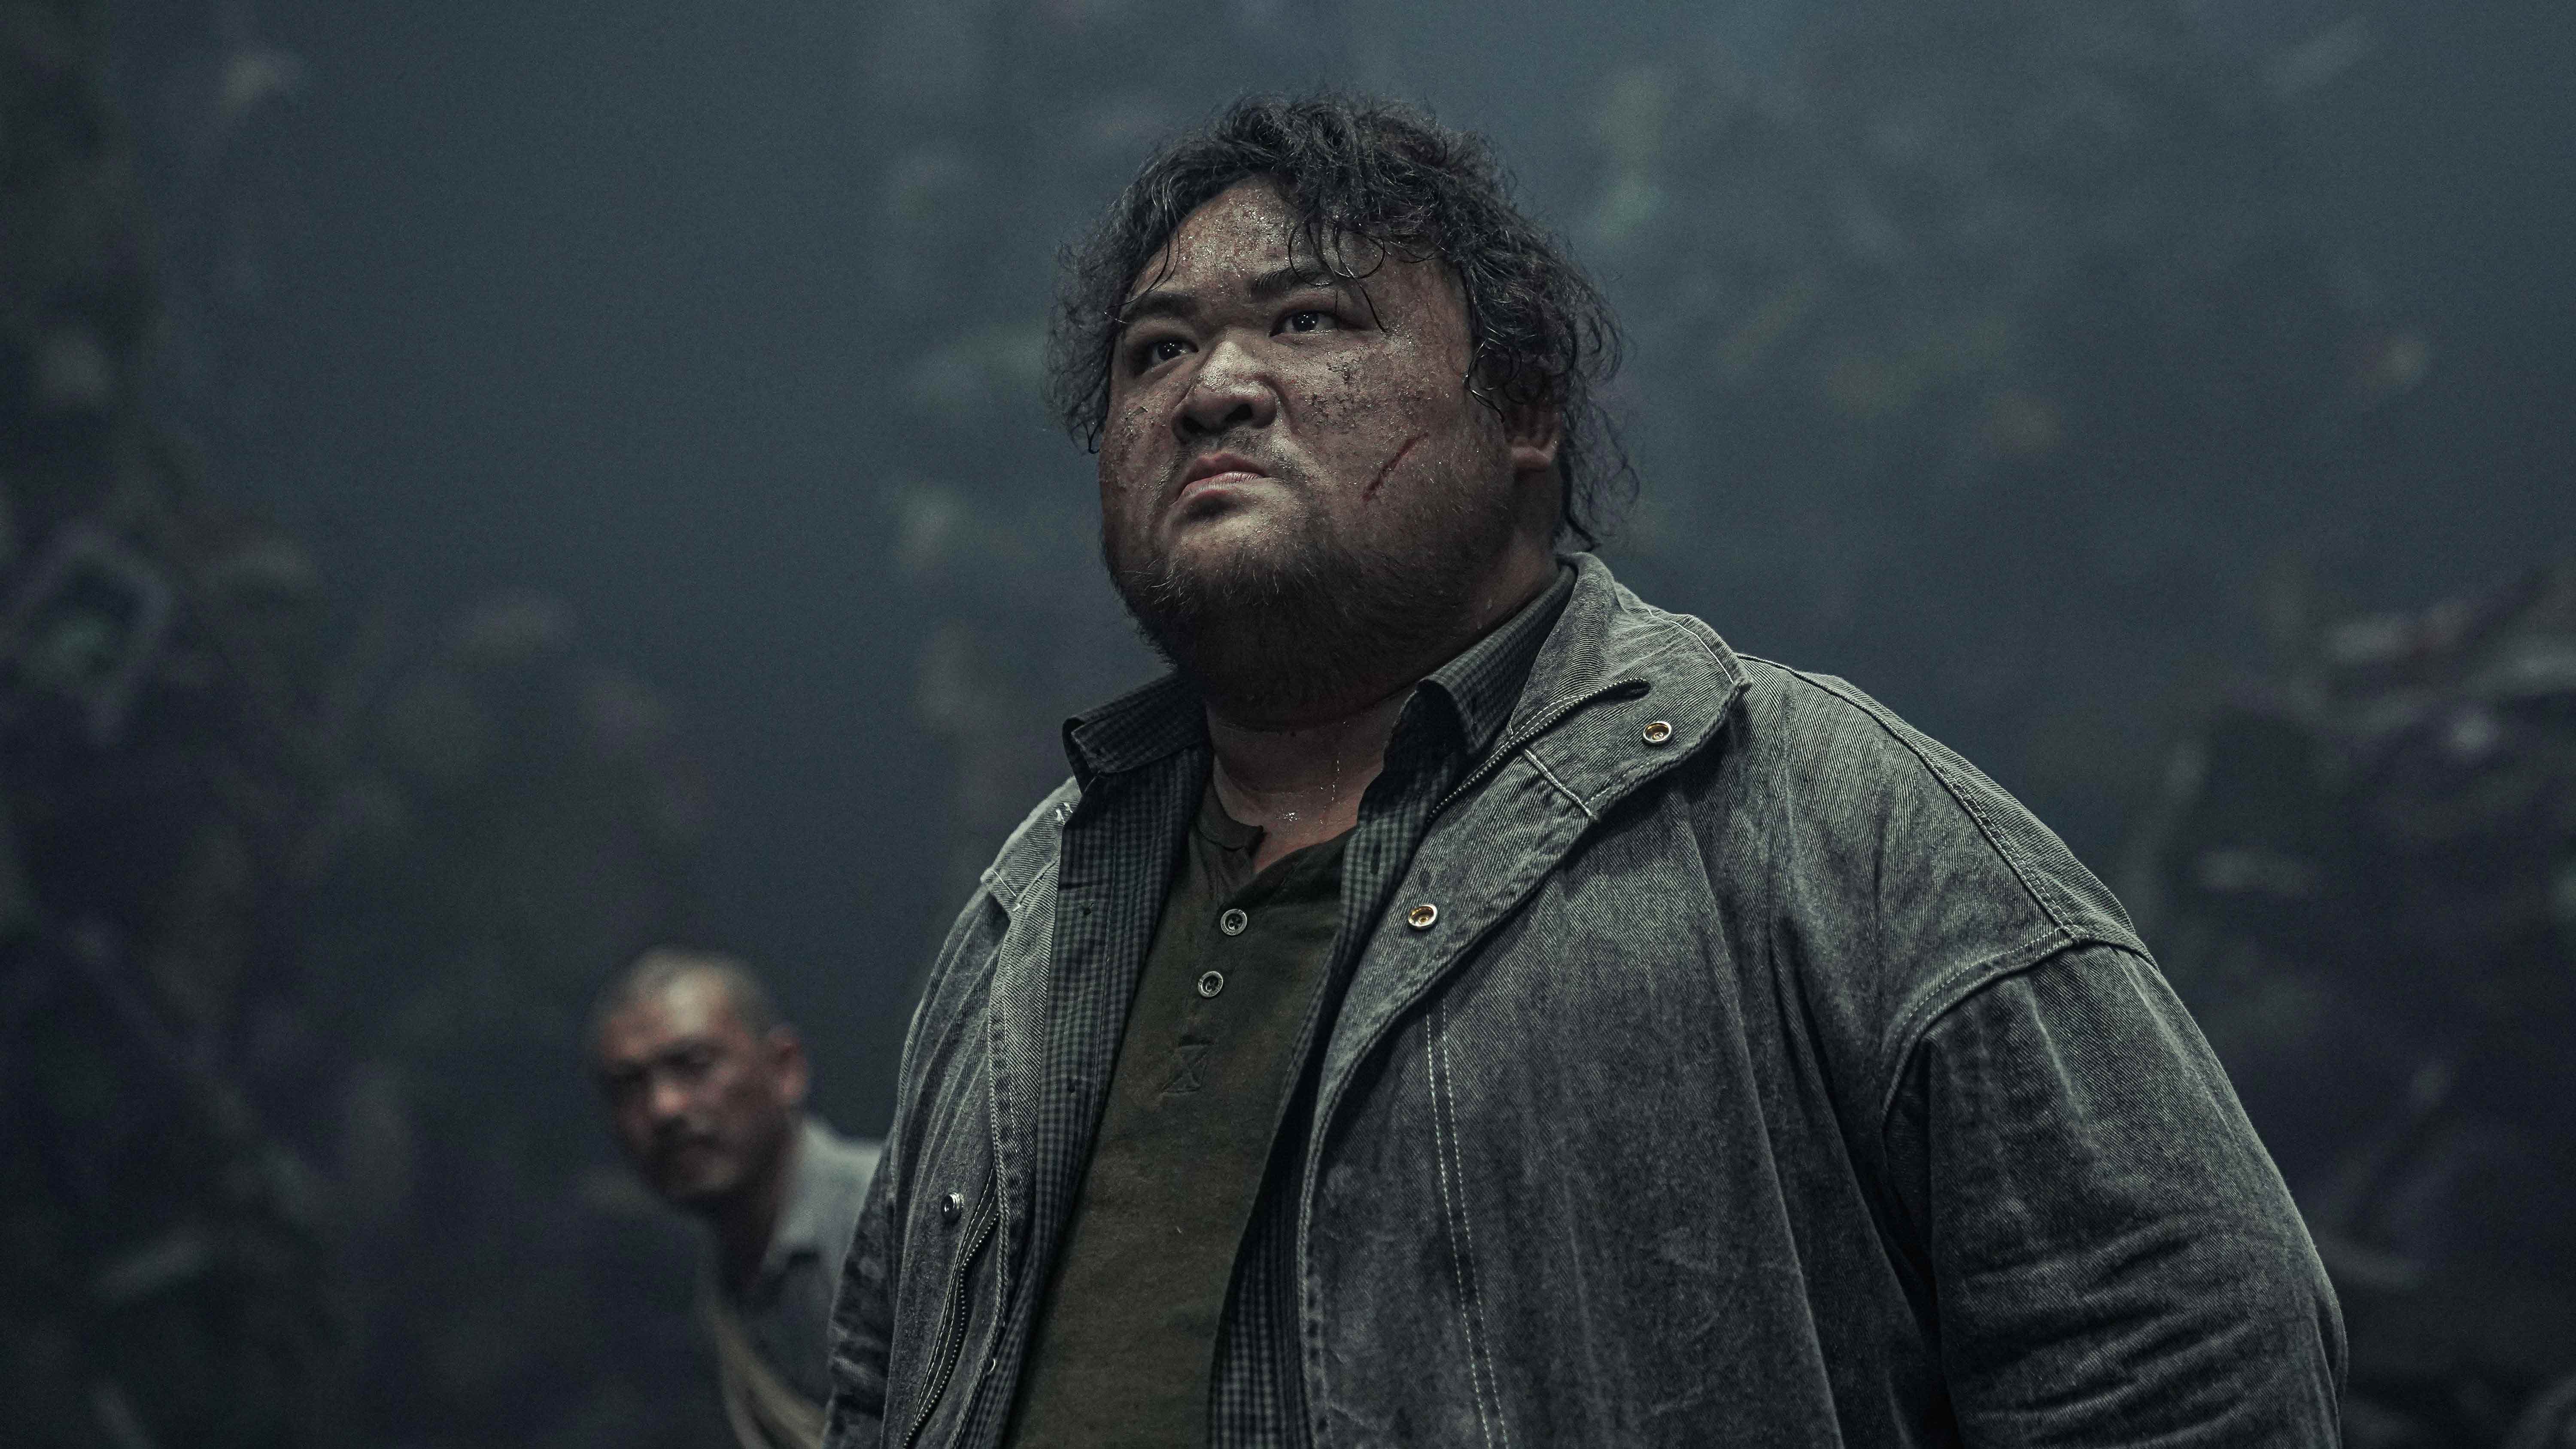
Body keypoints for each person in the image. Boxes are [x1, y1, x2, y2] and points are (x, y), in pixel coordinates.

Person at [826, 96, 2343, 1448]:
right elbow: (876, 1383)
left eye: (1309, 318)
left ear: (1527, 404)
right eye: (1153, 350)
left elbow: (2190, 1354)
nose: (1212, 385)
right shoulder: (1024, 915)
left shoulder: (1823, 817)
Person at [592, 946, 881, 1449]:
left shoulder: (888, 1217)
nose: (663, 1108)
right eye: (629, 1087)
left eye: (694, 1065)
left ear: (784, 1068)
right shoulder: (706, 1297)